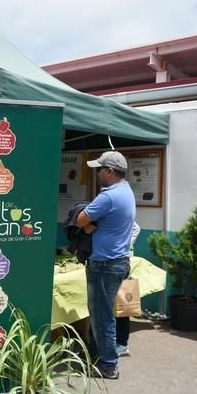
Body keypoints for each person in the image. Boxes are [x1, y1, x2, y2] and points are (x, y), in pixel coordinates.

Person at [76, 150, 135, 379]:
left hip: (105, 264)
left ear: (110, 171)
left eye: (100, 169)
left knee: (102, 315)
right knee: (103, 313)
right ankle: (100, 357)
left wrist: (88, 225)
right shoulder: (126, 191)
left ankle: (108, 365)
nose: (97, 173)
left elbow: (82, 219)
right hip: (118, 261)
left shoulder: (108, 196)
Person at [116, 221, 141, 357]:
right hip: (119, 261)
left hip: (122, 262)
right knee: (117, 305)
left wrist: (125, 246)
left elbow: (136, 228)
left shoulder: (122, 213)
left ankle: (122, 344)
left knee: (122, 305)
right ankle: (118, 342)